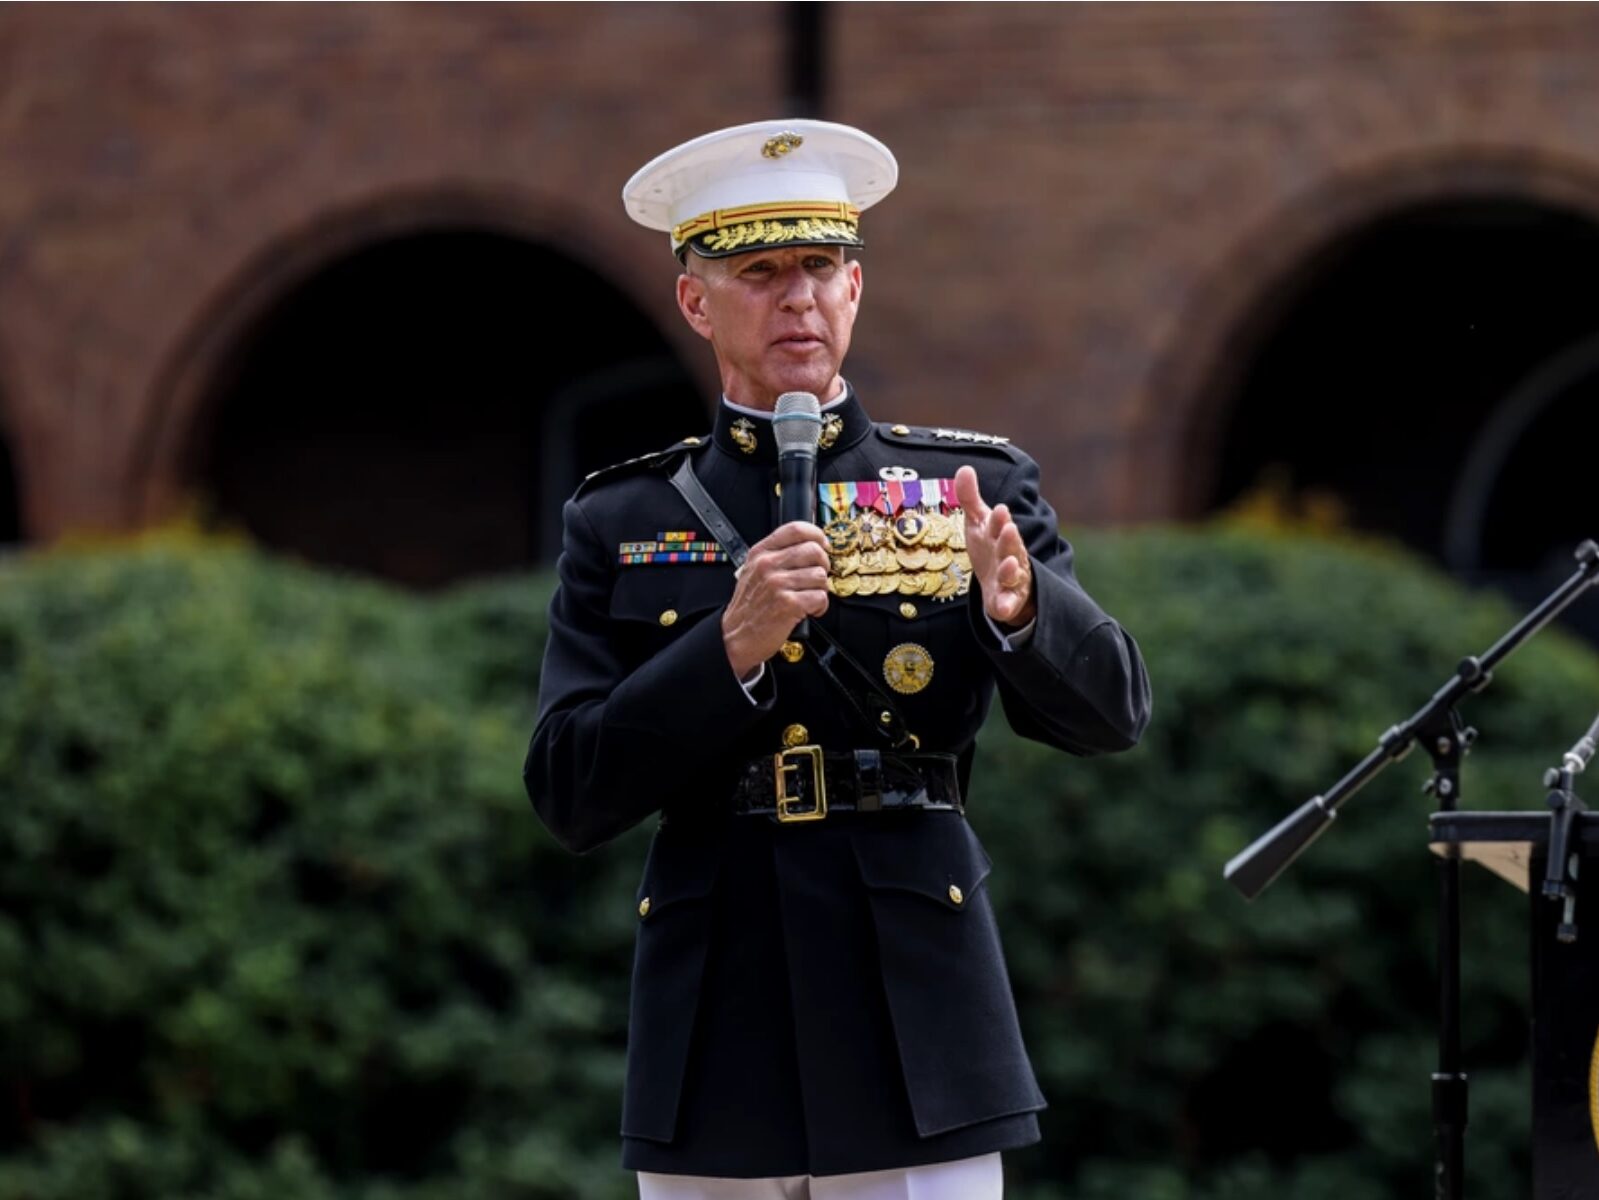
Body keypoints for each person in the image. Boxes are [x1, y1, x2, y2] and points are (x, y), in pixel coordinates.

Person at [524, 119, 1152, 1200]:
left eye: (820, 267)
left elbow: (1116, 713)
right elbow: (569, 789)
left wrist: (1021, 611)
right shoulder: (618, 516)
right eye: (759, 272)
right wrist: (728, 650)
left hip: (916, 1010)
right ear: (695, 301)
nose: (797, 298)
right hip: (717, 1013)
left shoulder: (971, 491)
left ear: (856, 289)